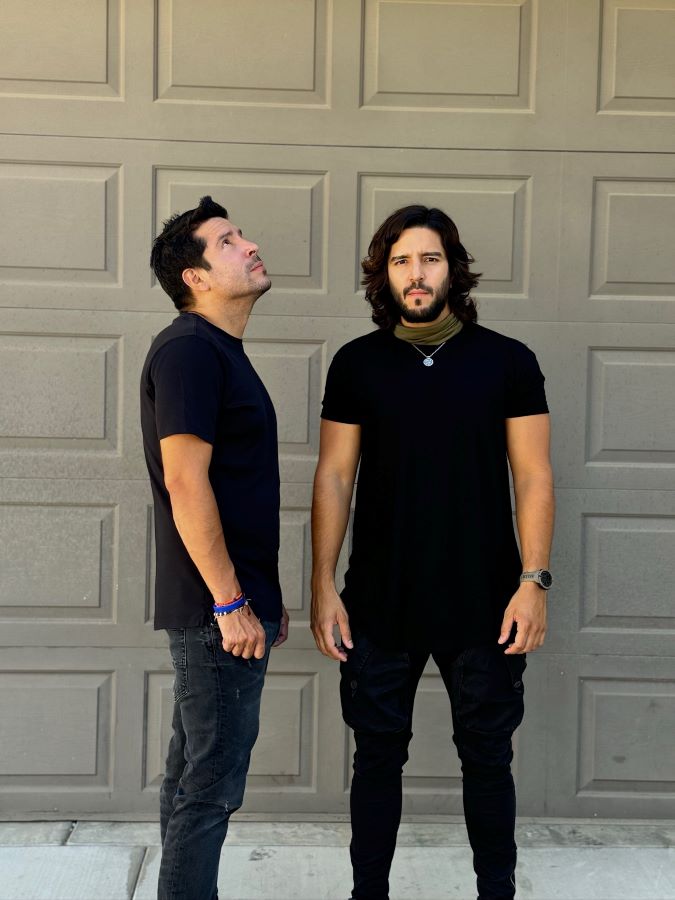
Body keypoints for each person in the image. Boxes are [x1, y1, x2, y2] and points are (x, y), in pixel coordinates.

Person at [311, 205, 554, 900]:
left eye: (428, 258)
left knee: (488, 759)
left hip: (485, 602)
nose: (415, 274)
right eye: (400, 261)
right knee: (376, 760)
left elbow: (533, 475)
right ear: (382, 275)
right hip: (379, 600)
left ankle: (496, 893)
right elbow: (334, 477)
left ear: (453, 268)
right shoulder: (357, 364)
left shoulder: (507, 361)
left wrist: (533, 581)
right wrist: (322, 586)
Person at [141, 195, 289, 900]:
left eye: (241, 234)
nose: (249, 245)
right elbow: (184, 481)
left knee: (191, 778)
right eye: (227, 241)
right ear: (195, 277)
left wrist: (260, 598)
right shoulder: (190, 352)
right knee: (210, 787)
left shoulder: (215, 352)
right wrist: (231, 602)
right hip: (215, 614)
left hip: (225, 608)